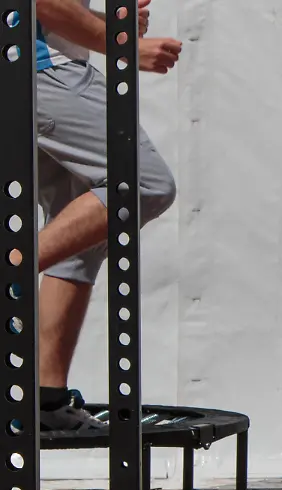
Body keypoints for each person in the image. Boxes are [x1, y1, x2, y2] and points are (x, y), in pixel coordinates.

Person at [32, 0, 183, 430]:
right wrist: (123, 46)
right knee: (142, 184)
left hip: (43, 66)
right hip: (46, 72)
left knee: (76, 236)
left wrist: (109, 24)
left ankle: (47, 403)